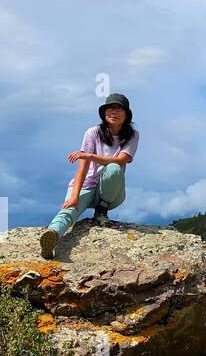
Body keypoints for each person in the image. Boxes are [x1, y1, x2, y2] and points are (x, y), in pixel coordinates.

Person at [40, 93, 139, 259]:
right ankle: (53, 235)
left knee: (114, 168)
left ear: (127, 115)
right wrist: (74, 196)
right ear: (104, 113)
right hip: (87, 184)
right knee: (69, 210)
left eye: (119, 109)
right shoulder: (93, 133)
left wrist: (91, 156)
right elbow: (83, 167)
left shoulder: (132, 135)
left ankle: (101, 211)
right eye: (110, 108)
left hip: (110, 192)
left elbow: (122, 160)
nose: (114, 112)